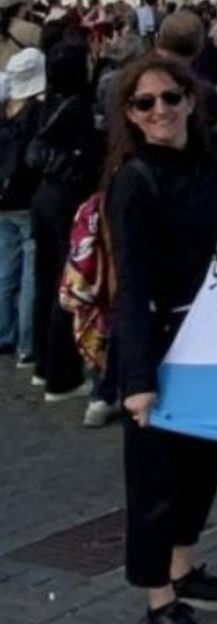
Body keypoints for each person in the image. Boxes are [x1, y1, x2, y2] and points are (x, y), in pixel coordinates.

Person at [106, 55, 217, 624]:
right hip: (163, 342)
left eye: (169, 97)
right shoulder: (134, 182)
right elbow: (131, 286)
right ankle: (159, 602)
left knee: (206, 463)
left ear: (190, 99)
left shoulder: (214, 160)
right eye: (145, 103)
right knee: (156, 479)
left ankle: (183, 568)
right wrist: (137, 379)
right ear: (131, 116)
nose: (159, 110)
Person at [28, 42, 104, 411]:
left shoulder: (46, 103)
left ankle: (42, 364)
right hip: (66, 199)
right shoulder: (80, 109)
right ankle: (62, 375)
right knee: (66, 283)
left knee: (44, 280)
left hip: (43, 195)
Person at [0, 46, 45, 370]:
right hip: (27, 199)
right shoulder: (36, 114)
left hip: (3, 201)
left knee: (5, 271)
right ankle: (27, 344)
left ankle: (4, 332)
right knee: (31, 273)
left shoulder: (6, 110)